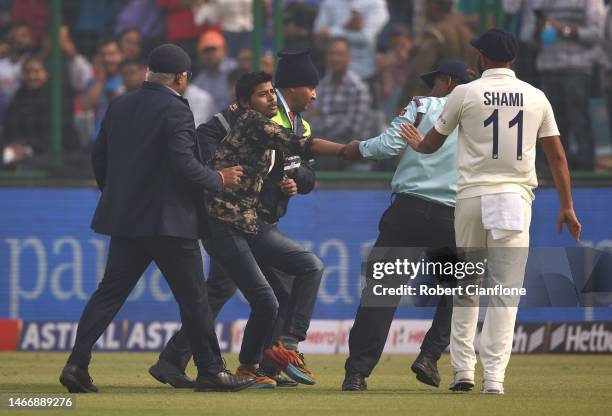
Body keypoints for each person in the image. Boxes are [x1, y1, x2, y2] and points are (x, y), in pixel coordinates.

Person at [59, 43, 253, 394]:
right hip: (170, 223)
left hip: (127, 220)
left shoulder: (120, 104)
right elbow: (184, 163)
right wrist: (217, 179)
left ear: (149, 72)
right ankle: (211, 371)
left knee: (109, 293)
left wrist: (117, 197)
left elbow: (99, 157)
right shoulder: (176, 109)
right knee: (194, 298)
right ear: (181, 78)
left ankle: (76, 363)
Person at [400, 29, 581, 394]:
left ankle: (462, 373)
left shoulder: (464, 93)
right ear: (512, 59)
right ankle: (494, 378)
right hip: (513, 199)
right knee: (505, 291)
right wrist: (566, 205)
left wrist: (418, 145)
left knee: (465, 287)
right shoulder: (535, 96)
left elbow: (432, 144)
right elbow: (557, 156)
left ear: (482, 58)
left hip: (470, 199)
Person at [150, 51, 319, 389]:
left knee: (225, 292)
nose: (315, 94)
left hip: (260, 219)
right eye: (310, 86)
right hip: (235, 218)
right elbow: (205, 139)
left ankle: (176, 360)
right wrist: (219, 173)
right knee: (274, 292)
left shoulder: (300, 125)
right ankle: (258, 366)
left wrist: (295, 178)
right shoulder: (240, 116)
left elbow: (307, 174)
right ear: (290, 89)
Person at [203, 68, 345, 386]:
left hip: (250, 224)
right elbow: (300, 145)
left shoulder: (265, 128)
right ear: (244, 102)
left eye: (271, 92)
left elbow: (294, 163)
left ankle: (256, 367)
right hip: (230, 224)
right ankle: (265, 356)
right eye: (263, 93)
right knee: (272, 291)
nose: (271, 98)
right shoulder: (254, 123)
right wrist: (349, 150)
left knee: (271, 296)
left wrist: (284, 182)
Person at [339, 60, 474, 391]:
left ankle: (356, 374)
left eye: (434, 82)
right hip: (451, 218)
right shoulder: (479, 117)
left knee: (381, 295)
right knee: (457, 291)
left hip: (408, 214)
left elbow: (386, 146)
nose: (430, 89)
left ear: (446, 81)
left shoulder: (421, 105)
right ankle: (429, 355)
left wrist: (354, 149)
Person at [533, 0, 605, 170]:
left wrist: (563, 29)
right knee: (552, 123)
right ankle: (555, 167)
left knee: (578, 119)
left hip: (577, 68)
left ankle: (585, 167)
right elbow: (531, 36)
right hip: (548, 67)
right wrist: (538, 29)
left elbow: (597, 34)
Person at [397, 0, 477, 109]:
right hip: (466, 102)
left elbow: (418, 74)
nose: (423, 8)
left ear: (434, 5)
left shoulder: (436, 33)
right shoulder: (468, 28)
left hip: (437, 106)